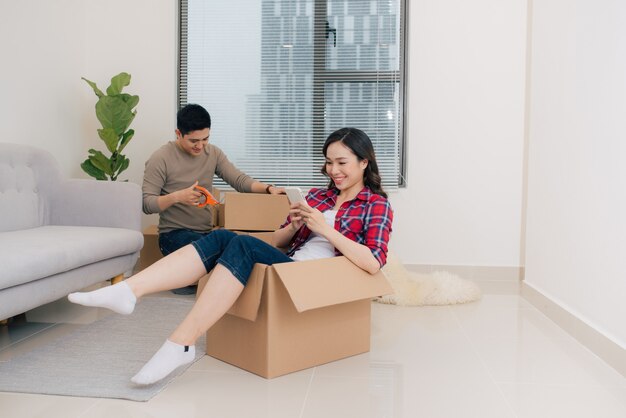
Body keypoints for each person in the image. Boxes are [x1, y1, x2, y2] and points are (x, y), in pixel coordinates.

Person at [68, 127, 393, 385]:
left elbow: (373, 262)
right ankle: (130, 291)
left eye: (341, 162)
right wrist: (295, 225)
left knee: (239, 243)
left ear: (364, 161)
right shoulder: (318, 196)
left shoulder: (376, 204)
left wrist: (325, 228)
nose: (332, 170)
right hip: (290, 266)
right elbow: (277, 240)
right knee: (224, 237)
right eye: (328, 161)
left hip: (318, 278)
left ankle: (180, 340)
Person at [142, 104, 284, 294]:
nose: (200, 146)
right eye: (194, 141)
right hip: (174, 235)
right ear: (178, 133)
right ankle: (195, 279)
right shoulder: (161, 158)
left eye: (205, 139)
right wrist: (178, 197)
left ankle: (191, 278)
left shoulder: (213, 153)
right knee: (221, 257)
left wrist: (268, 188)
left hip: (207, 235)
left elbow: (239, 180)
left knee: (239, 243)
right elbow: (147, 203)